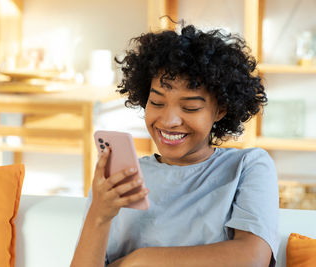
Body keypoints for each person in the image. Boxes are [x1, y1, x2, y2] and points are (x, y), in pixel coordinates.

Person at [71, 22, 279, 267]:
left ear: (220, 110)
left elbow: (252, 258)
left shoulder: (247, 166)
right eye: (157, 103)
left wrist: (139, 261)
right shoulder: (119, 179)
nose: (168, 121)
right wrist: (99, 215)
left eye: (190, 107)